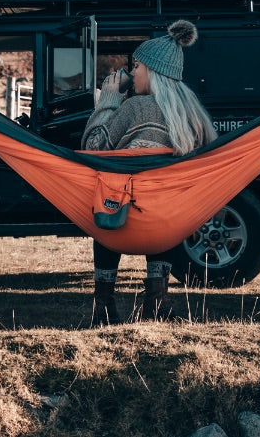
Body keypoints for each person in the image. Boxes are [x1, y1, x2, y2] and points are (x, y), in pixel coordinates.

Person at [82, 19, 217, 325]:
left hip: (120, 223)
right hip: (167, 226)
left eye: (137, 67)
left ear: (153, 72)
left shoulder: (136, 108)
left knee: (109, 193)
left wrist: (109, 100)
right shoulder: (193, 116)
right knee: (160, 200)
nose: (131, 74)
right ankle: (156, 301)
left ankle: (103, 305)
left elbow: (94, 145)